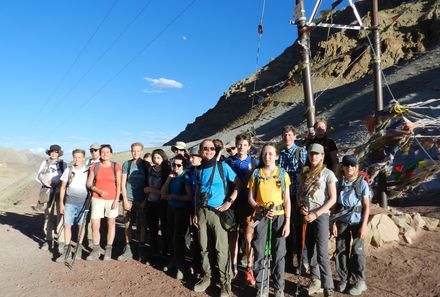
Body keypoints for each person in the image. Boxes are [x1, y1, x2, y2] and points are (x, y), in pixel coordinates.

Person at [193, 139, 240, 297]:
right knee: (203, 245)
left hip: (218, 212)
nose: (209, 151)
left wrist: (229, 201)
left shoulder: (222, 166)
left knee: (221, 249)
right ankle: (208, 276)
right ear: (201, 151)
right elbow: (197, 192)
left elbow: (238, 183)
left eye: (212, 148)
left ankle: (225, 282)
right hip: (202, 212)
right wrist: (194, 212)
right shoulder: (198, 170)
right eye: (205, 148)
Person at [248, 143, 291, 297]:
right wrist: (258, 208)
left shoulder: (283, 174)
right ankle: (262, 287)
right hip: (261, 216)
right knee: (260, 251)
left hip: (279, 216)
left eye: (271, 154)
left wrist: (287, 221)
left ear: (277, 156)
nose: (267, 156)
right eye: (265, 154)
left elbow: (287, 200)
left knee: (279, 253)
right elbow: (251, 198)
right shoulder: (256, 174)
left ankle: (279, 288)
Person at [298, 143, 337, 297]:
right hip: (307, 215)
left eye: (317, 154)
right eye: (311, 153)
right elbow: (300, 195)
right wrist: (301, 206)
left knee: (321, 251)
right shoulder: (304, 173)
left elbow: (333, 198)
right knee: (310, 248)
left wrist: (316, 213)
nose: (314, 156)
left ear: (322, 156)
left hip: (321, 215)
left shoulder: (328, 174)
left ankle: (328, 286)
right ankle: (315, 280)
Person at [332, 155, 370, 296]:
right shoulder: (339, 183)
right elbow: (335, 205)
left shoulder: (362, 183)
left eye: (352, 165)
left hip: (357, 221)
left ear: (356, 167)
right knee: (341, 250)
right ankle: (343, 279)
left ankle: (359, 281)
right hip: (342, 221)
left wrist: (364, 225)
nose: (349, 168)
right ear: (343, 166)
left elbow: (367, 205)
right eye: (347, 165)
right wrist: (333, 223)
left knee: (357, 251)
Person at [226, 133, 258, 285]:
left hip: (248, 203)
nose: (241, 147)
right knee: (233, 235)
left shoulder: (254, 162)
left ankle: (249, 269)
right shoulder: (229, 161)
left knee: (248, 236)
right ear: (236, 145)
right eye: (239, 144)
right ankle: (233, 267)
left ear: (249, 147)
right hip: (232, 203)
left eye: (245, 145)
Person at [279, 125, 307, 273]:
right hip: (285, 195)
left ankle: (303, 261)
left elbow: (305, 173)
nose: (287, 137)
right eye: (285, 135)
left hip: (298, 194)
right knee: (287, 227)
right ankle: (289, 261)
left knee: (299, 228)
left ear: (294, 136)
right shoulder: (281, 153)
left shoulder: (301, 152)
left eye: (289, 135)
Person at [86, 144, 121, 261]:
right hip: (97, 198)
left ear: (111, 154)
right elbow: (89, 184)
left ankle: (108, 249)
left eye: (107, 152)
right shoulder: (95, 166)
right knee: (95, 224)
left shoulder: (116, 166)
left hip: (112, 199)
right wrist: (98, 190)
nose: (105, 154)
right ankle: (96, 250)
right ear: (100, 153)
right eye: (103, 152)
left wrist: (117, 200)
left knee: (111, 223)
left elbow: (119, 185)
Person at [161, 154, 193, 279]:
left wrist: (175, 197)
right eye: (173, 164)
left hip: (181, 210)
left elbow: (189, 196)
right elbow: (163, 193)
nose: (175, 167)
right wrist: (169, 179)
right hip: (171, 208)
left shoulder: (185, 177)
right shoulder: (172, 176)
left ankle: (181, 265)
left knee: (178, 237)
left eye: (178, 165)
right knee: (170, 234)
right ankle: (173, 261)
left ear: (183, 166)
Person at [119, 142, 150, 261]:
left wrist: (145, 200)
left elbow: (149, 182)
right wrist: (125, 200)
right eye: (133, 150)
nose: (135, 152)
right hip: (129, 198)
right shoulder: (127, 164)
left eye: (137, 150)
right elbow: (123, 183)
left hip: (142, 199)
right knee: (128, 223)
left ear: (141, 151)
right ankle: (128, 247)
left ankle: (141, 248)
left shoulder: (146, 165)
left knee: (142, 224)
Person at [57, 149, 88, 262]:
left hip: (84, 202)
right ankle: (67, 251)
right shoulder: (68, 170)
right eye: (75, 157)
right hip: (69, 202)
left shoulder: (87, 171)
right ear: (72, 157)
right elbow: (63, 187)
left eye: (79, 157)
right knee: (67, 225)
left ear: (83, 158)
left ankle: (78, 249)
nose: (77, 159)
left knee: (81, 226)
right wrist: (61, 203)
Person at [35, 144, 67, 252]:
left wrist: (57, 182)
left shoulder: (63, 164)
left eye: (56, 152)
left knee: (60, 216)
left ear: (59, 153)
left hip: (59, 192)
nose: (54, 153)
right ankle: (48, 240)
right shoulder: (44, 163)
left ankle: (61, 241)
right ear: (49, 153)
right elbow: (38, 176)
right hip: (47, 192)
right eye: (52, 151)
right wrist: (46, 183)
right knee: (48, 217)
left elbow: (66, 178)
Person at [144, 148, 171, 264]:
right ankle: (154, 253)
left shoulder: (167, 170)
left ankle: (165, 254)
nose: (156, 160)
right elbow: (146, 185)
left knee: (164, 230)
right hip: (151, 203)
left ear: (163, 158)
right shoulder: (150, 170)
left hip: (162, 203)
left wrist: (151, 190)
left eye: (158, 157)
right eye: (154, 157)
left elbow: (165, 190)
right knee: (152, 229)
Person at [85, 143, 100, 247]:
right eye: (91, 150)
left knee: (98, 218)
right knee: (89, 217)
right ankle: (90, 239)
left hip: (99, 193)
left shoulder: (102, 162)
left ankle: (99, 239)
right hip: (88, 192)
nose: (93, 152)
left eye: (95, 150)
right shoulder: (88, 162)